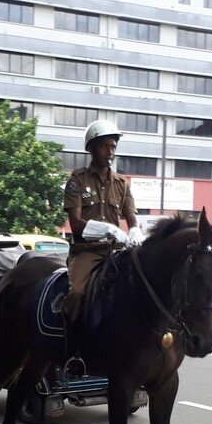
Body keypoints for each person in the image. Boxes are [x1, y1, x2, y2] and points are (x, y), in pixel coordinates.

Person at [61, 120, 143, 375]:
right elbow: (75, 225)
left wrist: (136, 231)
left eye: (113, 146)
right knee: (77, 293)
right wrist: (107, 229)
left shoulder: (122, 183)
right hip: (87, 253)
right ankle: (72, 352)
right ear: (92, 148)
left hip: (115, 252)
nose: (111, 151)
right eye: (106, 146)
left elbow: (131, 217)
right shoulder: (77, 179)